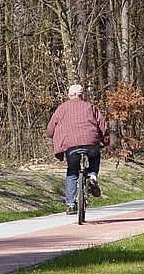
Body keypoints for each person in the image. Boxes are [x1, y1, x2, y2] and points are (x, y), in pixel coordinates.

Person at [46, 84, 110, 214]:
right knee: (95, 155)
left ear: (69, 95)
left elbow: (50, 128)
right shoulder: (91, 107)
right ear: (82, 95)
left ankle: (70, 204)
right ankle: (92, 177)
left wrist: (53, 136)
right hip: (90, 142)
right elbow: (103, 126)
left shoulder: (62, 108)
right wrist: (106, 141)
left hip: (70, 145)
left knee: (72, 171)